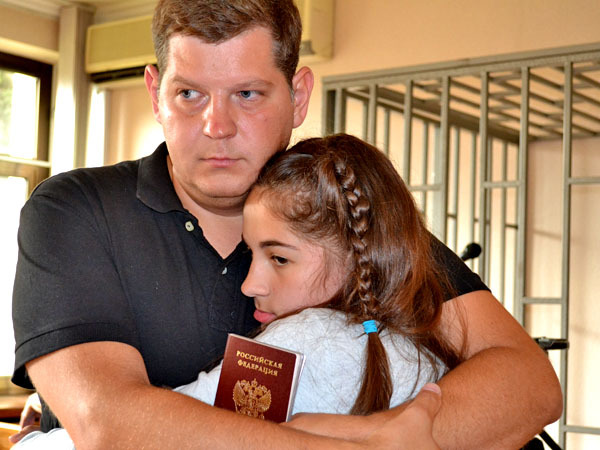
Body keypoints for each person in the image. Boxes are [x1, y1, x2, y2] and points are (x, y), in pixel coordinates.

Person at [10, 0, 562, 448]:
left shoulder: (342, 213)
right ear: (156, 94)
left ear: (298, 97)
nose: (217, 125)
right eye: (189, 94)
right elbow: (107, 423)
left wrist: (394, 435)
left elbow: (527, 381)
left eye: (247, 94)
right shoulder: (76, 210)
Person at [15, 133, 456, 448]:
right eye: (250, 254)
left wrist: (35, 443)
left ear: (359, 258)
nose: (249, 284)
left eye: (279, 258)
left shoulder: (296, 345)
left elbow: (153, 434)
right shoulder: (424, 356)